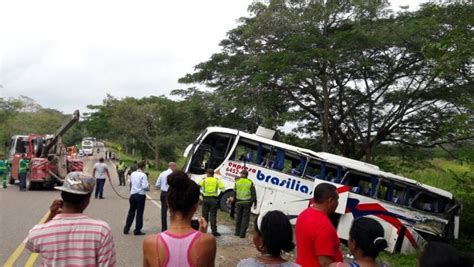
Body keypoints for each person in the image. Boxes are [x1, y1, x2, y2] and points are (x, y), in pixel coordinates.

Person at [25, 172, 116, 266]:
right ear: (87, 200)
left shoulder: (42, 231)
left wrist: (51, 215)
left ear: (62, 195)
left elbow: (30, 245)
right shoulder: (102, 230)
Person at [143, 170, 216, 267]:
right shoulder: (208, 242)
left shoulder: (150, 243)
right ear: (196, 206)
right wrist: (202, 235)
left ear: (168, 204)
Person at [295, 183, 342, 267]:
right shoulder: (325, 227)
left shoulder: (303, 214)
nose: (338, 203)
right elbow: (325, 263)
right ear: (330, 201)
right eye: (337, 199)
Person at [124, 161, 149, 235]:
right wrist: (148, 187)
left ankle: (126, 228)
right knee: (139, 213)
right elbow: (145, 187)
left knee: (131, 212)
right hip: (140, 195)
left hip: (133, 195)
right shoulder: (143, 175)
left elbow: (132, 182)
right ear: (143, 167)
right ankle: (137, 229)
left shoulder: (133, 173)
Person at [199, 169, 226, 236]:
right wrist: (218, 197)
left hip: (205, 199)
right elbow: (223, 190)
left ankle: (203, 231)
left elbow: (198, 187)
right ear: (213, 174)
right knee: (213, 216)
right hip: (214, 200)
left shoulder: (204, 180)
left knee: (204, 216)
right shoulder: (217, 180)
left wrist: (202, 195)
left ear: (208, 173)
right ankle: (214, 231)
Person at [233, 169, 257, 238]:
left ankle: (237, 232)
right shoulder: (250, 182)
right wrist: (254, 203)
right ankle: (242, 234)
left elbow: (234, 192)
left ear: (244, 175)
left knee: (238, 217)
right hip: (247, 202)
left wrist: (234, 200)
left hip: (238, 202)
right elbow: (253, 194)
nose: (240, 175)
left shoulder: (237, 182)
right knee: (245, 218)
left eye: (241, 174)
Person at [155, 162, 177, 232]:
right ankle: (174, 228)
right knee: (173, 211)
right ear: (172, 166)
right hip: (171, 193)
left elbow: (157, 184)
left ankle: (164, 229)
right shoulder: (173, 174)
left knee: (163, 211)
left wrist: (163, 186)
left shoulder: (162, 173)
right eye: (175, 167)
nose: (176, 168)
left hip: (163, 193)